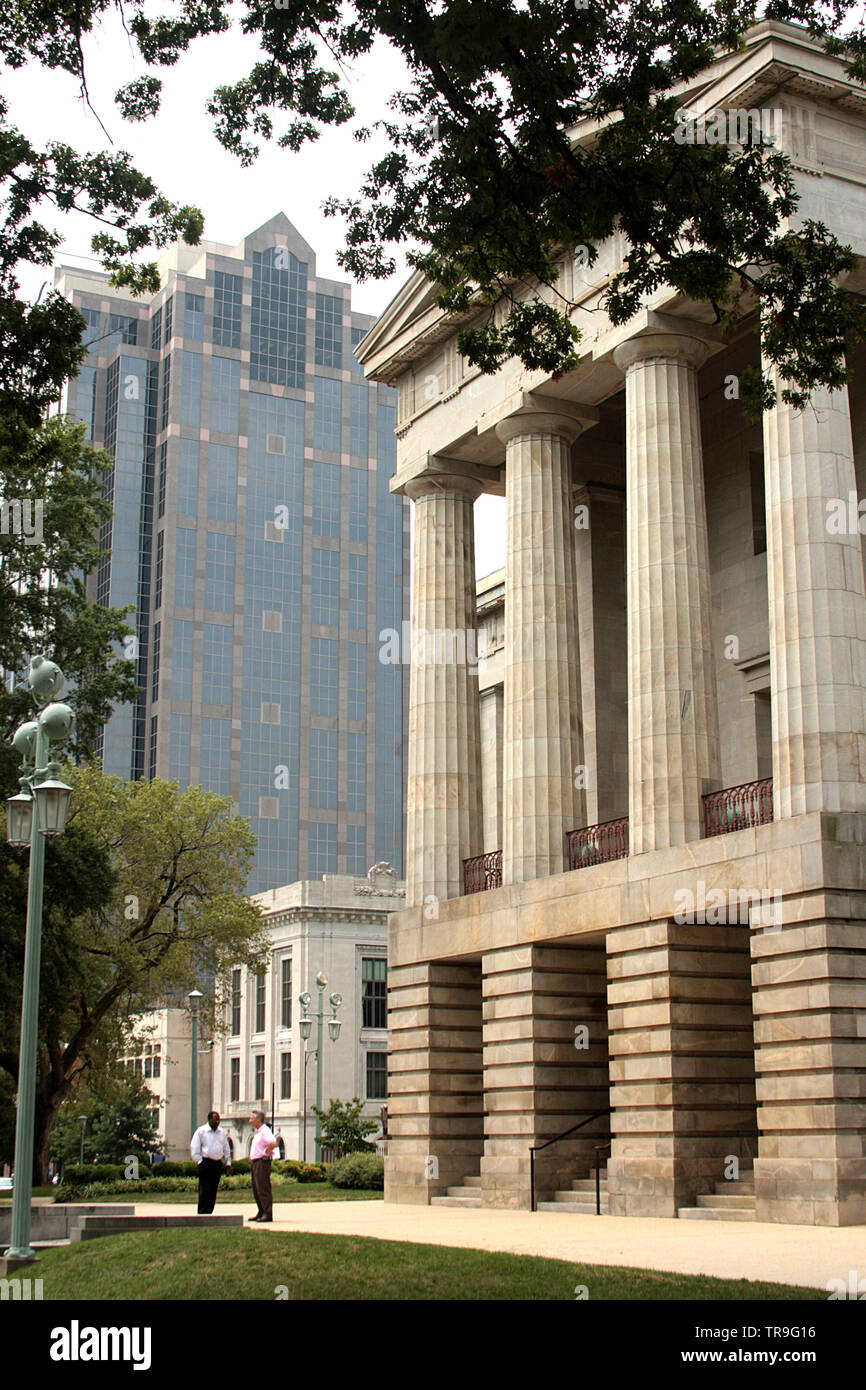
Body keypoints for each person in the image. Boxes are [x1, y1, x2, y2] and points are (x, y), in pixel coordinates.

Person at [191, 1110, 232, 1214]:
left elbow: (226, 1148)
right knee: (205, 1189)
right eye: (215, 1119)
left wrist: (228, 1163)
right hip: (205, 1163)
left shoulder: (221, 1132)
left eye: (218, 1120)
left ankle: (209, 1211)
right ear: (209, 1120)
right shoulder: (201, 1131)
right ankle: (202, 1212)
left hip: (217, 1163)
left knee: (213, 1190)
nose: (217, 1122)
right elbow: (194, 1148)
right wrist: (200, 1161)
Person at [248, 1108, 278, 1222]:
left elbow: (273, 1143)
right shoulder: (258, 1131)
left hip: (262, 1162)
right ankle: (261, 1211)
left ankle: (267, 1213)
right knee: (256, 1189)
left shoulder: (265, 1131)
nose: (250, 1121)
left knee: (263, 1188)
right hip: (256, 1162)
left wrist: (268, 1151)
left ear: (258, 1119)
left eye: (251, 1118)